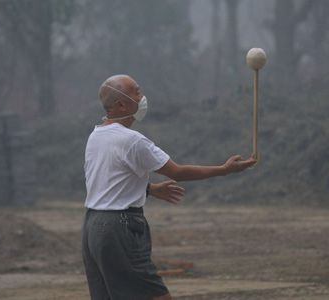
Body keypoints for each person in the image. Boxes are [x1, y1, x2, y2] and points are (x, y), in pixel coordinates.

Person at [82, 74, 257, 300]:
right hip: (119, 226)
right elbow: (177, 172)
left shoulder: (96, 136)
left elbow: (108, 181)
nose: (143, 96)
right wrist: (224, 170)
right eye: (136, 91)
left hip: (92, 226)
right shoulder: (132, 140)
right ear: (121, 104)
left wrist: (150, 190)